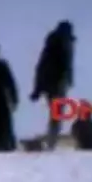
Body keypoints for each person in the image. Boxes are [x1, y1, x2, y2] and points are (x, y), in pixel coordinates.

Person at [29, 20, 76, 150]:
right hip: (56, 84)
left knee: (56, 114)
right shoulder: (63, 44)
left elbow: (41, 67)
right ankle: (51, 142)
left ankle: (51, 140)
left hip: (52, 84)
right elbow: (65, 66)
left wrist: (37, 89)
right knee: (57, 114)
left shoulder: (52, 45)